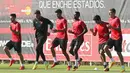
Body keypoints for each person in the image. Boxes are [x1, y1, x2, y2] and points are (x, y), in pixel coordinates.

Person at [105, 8, 125, 72]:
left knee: (119, 53)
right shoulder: (110, 19)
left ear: (114, 13)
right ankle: (112, 60)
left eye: (110, 13)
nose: (109, 14)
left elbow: (119, 29)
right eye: (109, 13)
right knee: (105, 48)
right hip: (112, 37)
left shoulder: (117, 19)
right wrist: (108, 33)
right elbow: (111, 30)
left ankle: (123, 68)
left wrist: (111, 27)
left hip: (118, 38)